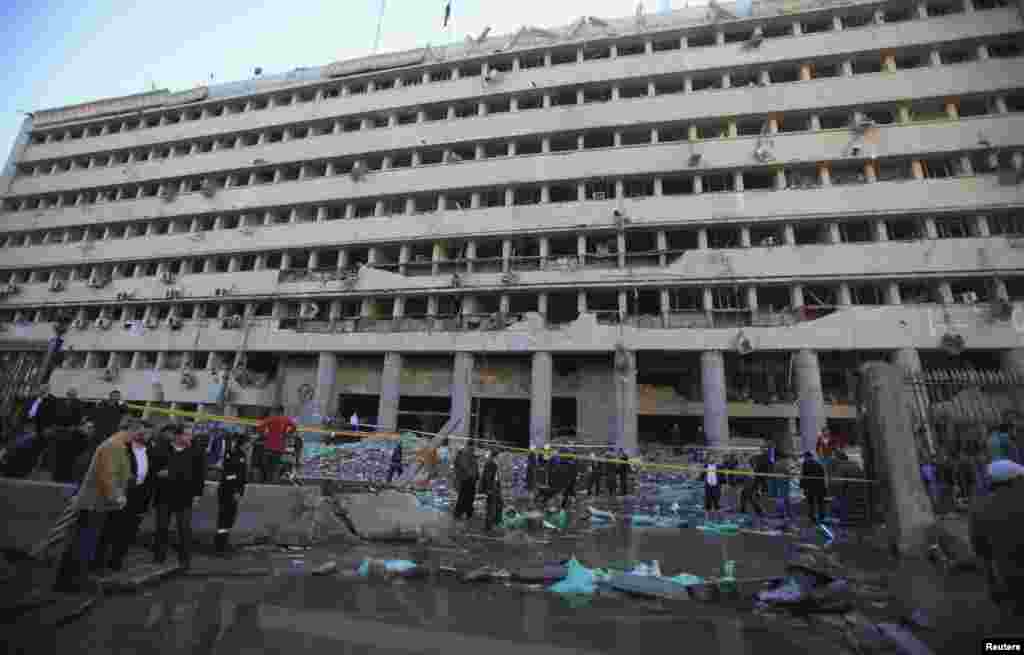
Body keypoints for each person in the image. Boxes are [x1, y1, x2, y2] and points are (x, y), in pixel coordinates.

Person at [53, 420, 139, 592]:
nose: (136, 438)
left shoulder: (116, 445)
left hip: (95, 502)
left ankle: (70, 580)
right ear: (129, 431)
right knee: (83, 542)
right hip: (94, 503)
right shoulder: (114, 446)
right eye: (136, 433)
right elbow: (106, 475)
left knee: (82, 541)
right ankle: (70, 582)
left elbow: (114, 473)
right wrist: (117, 497)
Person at [969, 459, 1024, 617]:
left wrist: (992, 584)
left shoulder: (979, 507)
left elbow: (980, 548)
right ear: (1014, 481)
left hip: (1008, 579)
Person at [100, 423, 155, 572]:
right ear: (136, 433)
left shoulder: (151, 451)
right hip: (121, 493)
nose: (147, 436)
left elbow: (151, 477)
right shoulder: (123, 448)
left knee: (128, 531)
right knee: (110, 528)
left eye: (150, 433)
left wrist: (147, 500)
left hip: (139, 496)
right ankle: (98, 561)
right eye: (144, 433)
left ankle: (116, 562)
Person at [149, 424, 207, 569]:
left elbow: (200, 476)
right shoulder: (161, 450)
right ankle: (159, 557)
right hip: (164, 496)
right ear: (177, 436)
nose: (190, 437)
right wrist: (158, 475)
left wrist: (197, 495)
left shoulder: (196, 452)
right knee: (161, 528)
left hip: (185, 497)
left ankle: (185, 560)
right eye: (187, 434)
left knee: (184, 529)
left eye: (190, 434)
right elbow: (151, 470)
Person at [215, 433, 249, 556]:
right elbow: (229, 475)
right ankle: (220, 546)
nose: (248, 445)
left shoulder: (242, 455)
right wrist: (235, 490)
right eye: (247, 443)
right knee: (224, 519)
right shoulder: (232, 454)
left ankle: (224, 542)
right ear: (242, 443)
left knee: (229, 519)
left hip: (234, 492)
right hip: (227, 491)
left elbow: (241, 477)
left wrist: (239, 491)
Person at [255, 408, 295, 484]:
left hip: (269, 445)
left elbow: (260, 426)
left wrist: (264, 434)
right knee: (276, 464)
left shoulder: (271, 418)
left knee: (267, 464)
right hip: (280, 447)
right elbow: (294, 427)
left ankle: (268, 480)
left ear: (276, 411)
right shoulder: (286, 419)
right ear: (282, 412)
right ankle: (274, 481)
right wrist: (287, 434)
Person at [453, 441, 479, 521]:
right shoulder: (465, 454)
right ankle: (459, 513)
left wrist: (476, 475)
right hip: (466, 480)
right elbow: (465, 466)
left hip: (469, 479)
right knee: (464, 497)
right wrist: (472, 475)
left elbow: (474, 466)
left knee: (469, 497)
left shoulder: (470, 454)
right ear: (469, 446)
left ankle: (467, 513)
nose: (473, 449)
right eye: (472, 447)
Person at [479, 449, 503, 532]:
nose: (500, 458)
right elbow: (487, 477)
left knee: (499, 504)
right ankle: (488, 527)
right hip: (492, 489)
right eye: (499, 456)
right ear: (495, 456)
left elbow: (495, 478)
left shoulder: (494, 464)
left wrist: (498, 487)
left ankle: (496, 523)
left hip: (495, 488)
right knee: (491, 507)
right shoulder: (490, 464)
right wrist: (489, 489)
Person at [801, 452, 827, 524]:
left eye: (805, 457)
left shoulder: (806, 464)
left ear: (808, 457)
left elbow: (804, 475)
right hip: (818, 486)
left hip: (811, 486)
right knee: (819, 502)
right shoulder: (818, 464)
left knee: (812, 502)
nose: (805, 459)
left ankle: (813, 517)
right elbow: (823, 476)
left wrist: (803, 486)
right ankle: (821, 517)